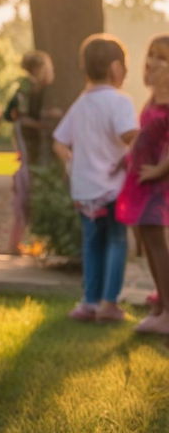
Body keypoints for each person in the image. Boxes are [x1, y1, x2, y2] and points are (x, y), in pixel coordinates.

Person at [53, 34, 137, 322]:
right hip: (112, 190)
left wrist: (71, 162)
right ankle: (109, 304)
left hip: (85, 190)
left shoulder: (81, 104)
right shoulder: (119, 102)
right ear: (116, 68)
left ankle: (88, 302)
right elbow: (130, 136)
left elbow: (59, 142)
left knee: (92, 244)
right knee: (116, 241)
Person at [116, 35, 169, 334]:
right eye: (151, 55)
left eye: (162, 57)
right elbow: (145, 133)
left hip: (158, 183)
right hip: (142, 178)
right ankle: (160, 303)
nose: (153, 62)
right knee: (148, 240)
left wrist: (159, 169)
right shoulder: (154, 97)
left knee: (156, 241)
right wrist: (127, 158)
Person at [6, 50, 56, 254]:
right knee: (27, 191)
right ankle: (16, 243)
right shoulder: (26, 88)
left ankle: (25, 241)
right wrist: (41, 124)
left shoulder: (32, 88)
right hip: (28, 144)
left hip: (31, 144)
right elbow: (18, 116)